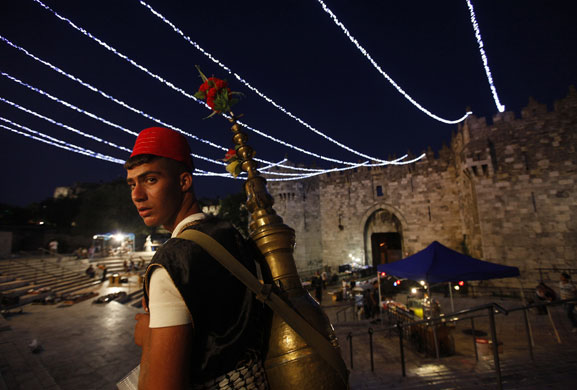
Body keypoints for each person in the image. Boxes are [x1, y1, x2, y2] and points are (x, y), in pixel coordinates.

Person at [127, 127, 269, 389]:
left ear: (184, 181)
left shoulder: (174, 260)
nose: (137, 195)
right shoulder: (229, 234)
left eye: (150, 180)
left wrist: (149, 338)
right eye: (132, 183)